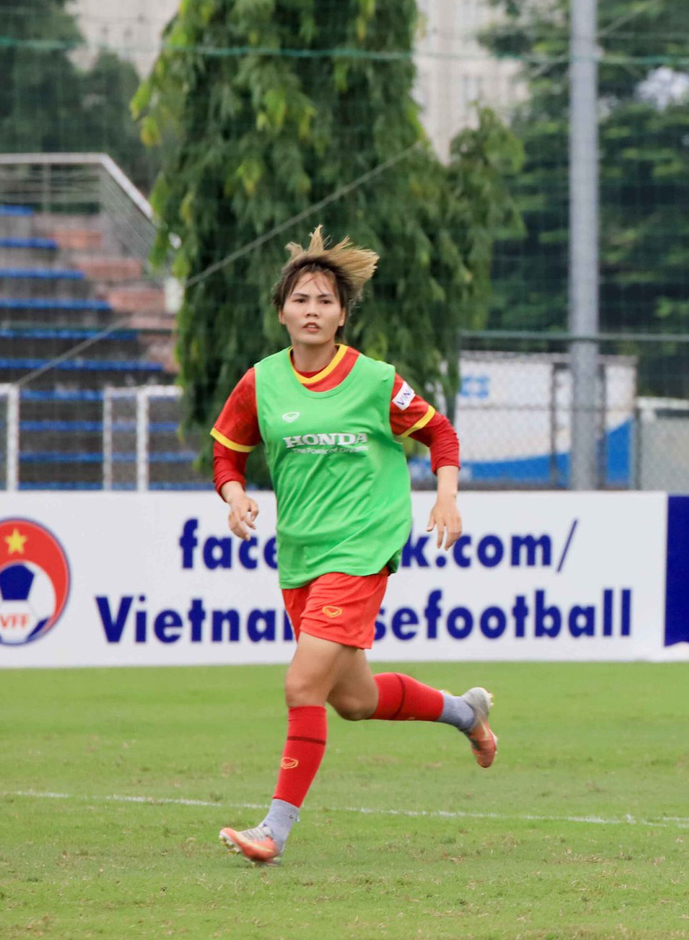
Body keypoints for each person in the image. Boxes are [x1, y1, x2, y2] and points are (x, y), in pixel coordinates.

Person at [212, 229, 495, 866]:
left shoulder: (373, 380)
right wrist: (233, 495)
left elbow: (439, 433)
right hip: (302, 554)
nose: (312, 309)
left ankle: (273, 832)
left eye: (326, 300)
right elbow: (227, 452)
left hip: (363, 546)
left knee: (302, 685)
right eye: (301, 298)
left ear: (343, 314)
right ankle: (465, 713)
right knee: (354, 701)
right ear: (281, 310)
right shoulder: (260, 383)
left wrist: (445, 496)